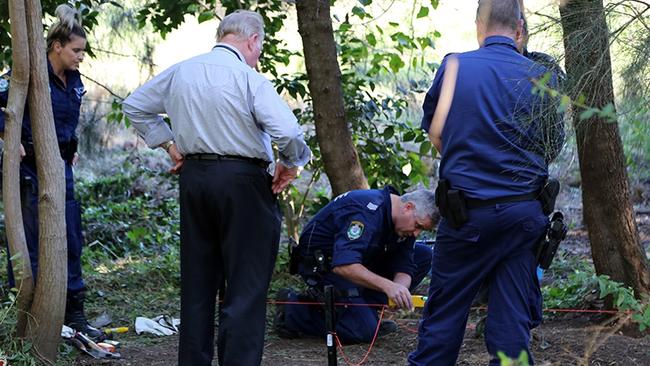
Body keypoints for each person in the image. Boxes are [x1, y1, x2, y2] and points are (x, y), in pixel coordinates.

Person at [122, 10, 311, 366]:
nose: (258, 56)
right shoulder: (248, 79)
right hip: (243, 183)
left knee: (198, 285)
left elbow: (134, 106)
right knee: (245, 287)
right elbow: (288, 133)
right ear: (253, 40)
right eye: (260, 48)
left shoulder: (183, 71)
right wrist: (290, 162)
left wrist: (169, 144)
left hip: (195, 179)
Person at [408, 0, 564, 365]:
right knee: (512, 325)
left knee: (444, 318)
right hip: (523, 218)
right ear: (520, 29)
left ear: (478, 27)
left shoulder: (454, 66)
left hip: (467, 217)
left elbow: (436, 134)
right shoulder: (544, 77)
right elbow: (552, 147)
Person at [0, 4, 101, 338]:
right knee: (30, 243)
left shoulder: (73, 78)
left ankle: (74, 315)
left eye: (83, 51)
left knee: (71, 237)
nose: (81, 57)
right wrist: (9, 136)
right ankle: (23, 312)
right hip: (29, 169)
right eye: (76, 51)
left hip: (61, 170)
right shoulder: (30, 73)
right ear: (57, 47)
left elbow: (69, 122)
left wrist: (71, 151)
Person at [274, 187, 438, 344]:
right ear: (408, 207)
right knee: (363, 331)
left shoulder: (400, 221)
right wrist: (388, 286)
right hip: (327, 267)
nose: (416, 233)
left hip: (359, 261)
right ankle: (294, 311)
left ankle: (364, 310)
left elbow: (405, 264)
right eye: (417, 226)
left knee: (424, 255)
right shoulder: (367, 212)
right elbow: (343, 265)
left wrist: (399, 289)